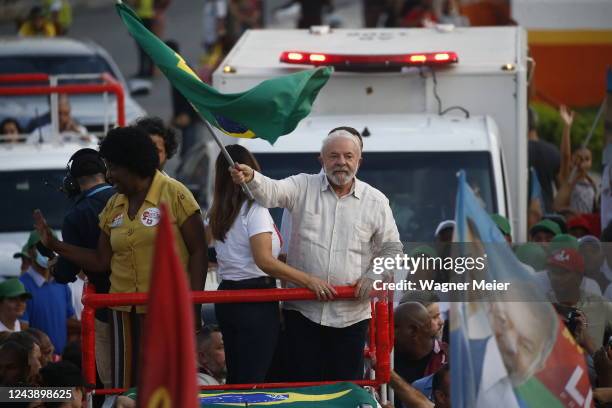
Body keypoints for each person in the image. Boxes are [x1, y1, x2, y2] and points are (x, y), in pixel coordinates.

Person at [33, 126, 207, 388]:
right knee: (126, 388)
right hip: (122, 313)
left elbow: (199, 251)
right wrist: (55, 244)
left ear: (134, 163)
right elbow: (101, 260)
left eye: (114, 168)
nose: (110, 176)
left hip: (167, 310)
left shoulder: (176, 193)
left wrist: (194, 307)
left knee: (166, 388)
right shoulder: (114, 203)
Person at [230, 128, 403, 381]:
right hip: (303, 312)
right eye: (333, 156)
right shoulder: (302, 186)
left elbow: (393, 249)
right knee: (305, 391)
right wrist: (252, 177)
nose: (341, 162)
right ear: (321, 159)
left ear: (359, 161)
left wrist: (372, 276)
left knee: (345, 392)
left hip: (351, 317)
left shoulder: (376, 201)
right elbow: (271, 191)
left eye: (348, 156)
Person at [210, 145, 334, 383]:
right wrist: (310, 281)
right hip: (255, 299)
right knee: (255, 378)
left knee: (238, 376)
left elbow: (227, 254)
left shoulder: (216, 213)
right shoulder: (254, 210)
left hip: (226, 297)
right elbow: (264, 260)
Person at [50, 147, 115, 389]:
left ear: (72, 183)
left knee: (109, 378)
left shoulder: (76, 215)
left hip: (105, 305)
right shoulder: (127, 198)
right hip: (143, 300)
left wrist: (58, 265)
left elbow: (66, 272)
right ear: (106, 173)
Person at [18, 231, 78, 354]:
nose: (46, 250)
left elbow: (69, 323)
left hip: (60, 363)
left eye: (51, 246)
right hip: (37, 365)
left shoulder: (62, 284)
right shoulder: (21, 286)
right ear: (30, 252)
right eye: (40, 246)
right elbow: (22, 333)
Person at [393, 302, 447, 395]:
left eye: (395, 327)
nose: (389, 332)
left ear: (413, 330)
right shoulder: (387, 359)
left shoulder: (448, 358)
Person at [554, 105, 598, 214]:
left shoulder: (591, 184)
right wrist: (567, 127)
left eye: (587, 159)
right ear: (573, 159)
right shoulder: (568, 177)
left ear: (591, 163)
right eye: (579, 158)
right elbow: (565, 156)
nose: (582, 161)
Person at [527, 107, 560, 213]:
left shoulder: (519, 152)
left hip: (525, 213)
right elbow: (561, 186)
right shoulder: (553, 151)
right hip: (547, 214)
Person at [133, 0, 155, 78]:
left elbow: (136, 4)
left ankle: (142, 71)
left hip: (141, 18)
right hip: (150, 17)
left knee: (141, 47)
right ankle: (150, 71)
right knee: (150, 46)